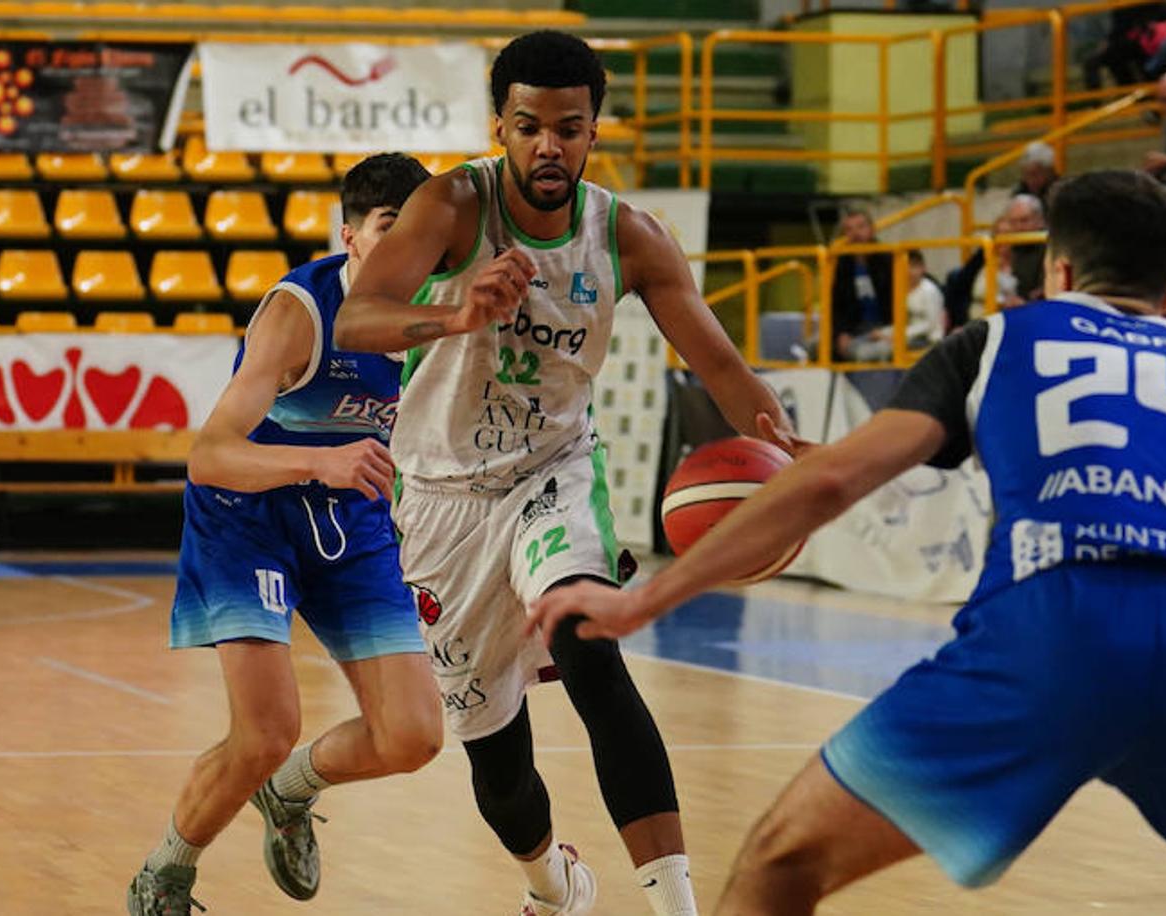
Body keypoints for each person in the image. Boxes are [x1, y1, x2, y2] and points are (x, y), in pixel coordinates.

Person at [529, 169, 1166, 915]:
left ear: (1058, 271)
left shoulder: (1001, 339)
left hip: (1058, 633)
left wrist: (648, 598)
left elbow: (834, 484)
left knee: (784, 860)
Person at [332, 30, 805, 916]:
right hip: (439, 500)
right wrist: (460, 310)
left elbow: (723, 367)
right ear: (500, 127)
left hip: (552, 469)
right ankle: (554, 885)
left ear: (594, 132)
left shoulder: (628, 235)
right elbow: (358, 321)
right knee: (499, 770)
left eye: (569, 127)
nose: (548, 144)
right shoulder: (450, 207)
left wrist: (785, 449)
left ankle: (678, 908)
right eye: (528, 126)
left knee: (590, 643)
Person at [126, 153, 442, 915]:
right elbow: (208, 457)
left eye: (420, 234)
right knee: (265, 729)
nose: (405, 249)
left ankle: (289, 789)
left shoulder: (442, 319)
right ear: (352, 236)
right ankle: (166, 872)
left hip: (354, 516)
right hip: (248, 515)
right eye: (387, 227)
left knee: (413, 737)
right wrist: (318, 459)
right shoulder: (300, 312)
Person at [830, 207, 894, 361]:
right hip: (856, 329)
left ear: (872, 230)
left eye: (861, 227)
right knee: (815, 346)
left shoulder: (890, 259)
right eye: (849, 229)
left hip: (885, 327)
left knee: (863, 353)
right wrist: (841, 333)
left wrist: (890, 332)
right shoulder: (841, 264)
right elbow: (837, 306)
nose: (856, 233)